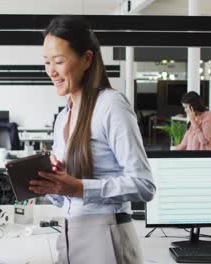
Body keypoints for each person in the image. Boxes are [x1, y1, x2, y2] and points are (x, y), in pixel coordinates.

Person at [29, 16, 156, 264]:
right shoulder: (63, 117)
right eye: (46, 62)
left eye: (58, 61)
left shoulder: (111, 106)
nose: (51, 71)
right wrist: (53, 183)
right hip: (69, 233)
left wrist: (77, 187)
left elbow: (144, 185)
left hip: (106, 234)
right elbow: (66, 196)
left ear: (87, 59)